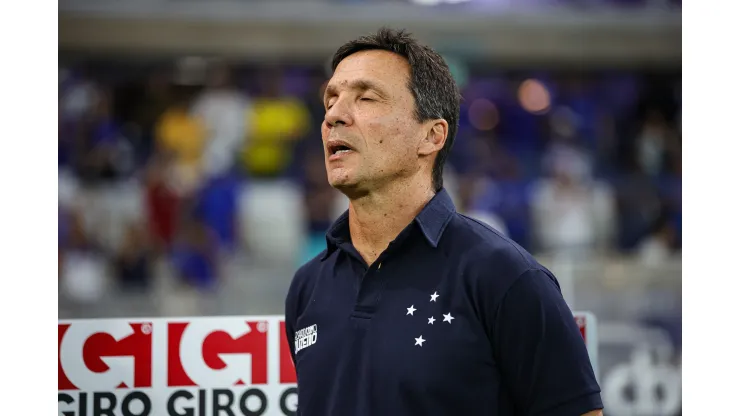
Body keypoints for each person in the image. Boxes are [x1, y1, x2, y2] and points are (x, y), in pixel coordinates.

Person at [284, 28, 603, 416]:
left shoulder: (505, 277)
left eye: (365, 98)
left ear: (431, 136)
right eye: (330, 99)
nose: (334, 115)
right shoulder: (307, 286)